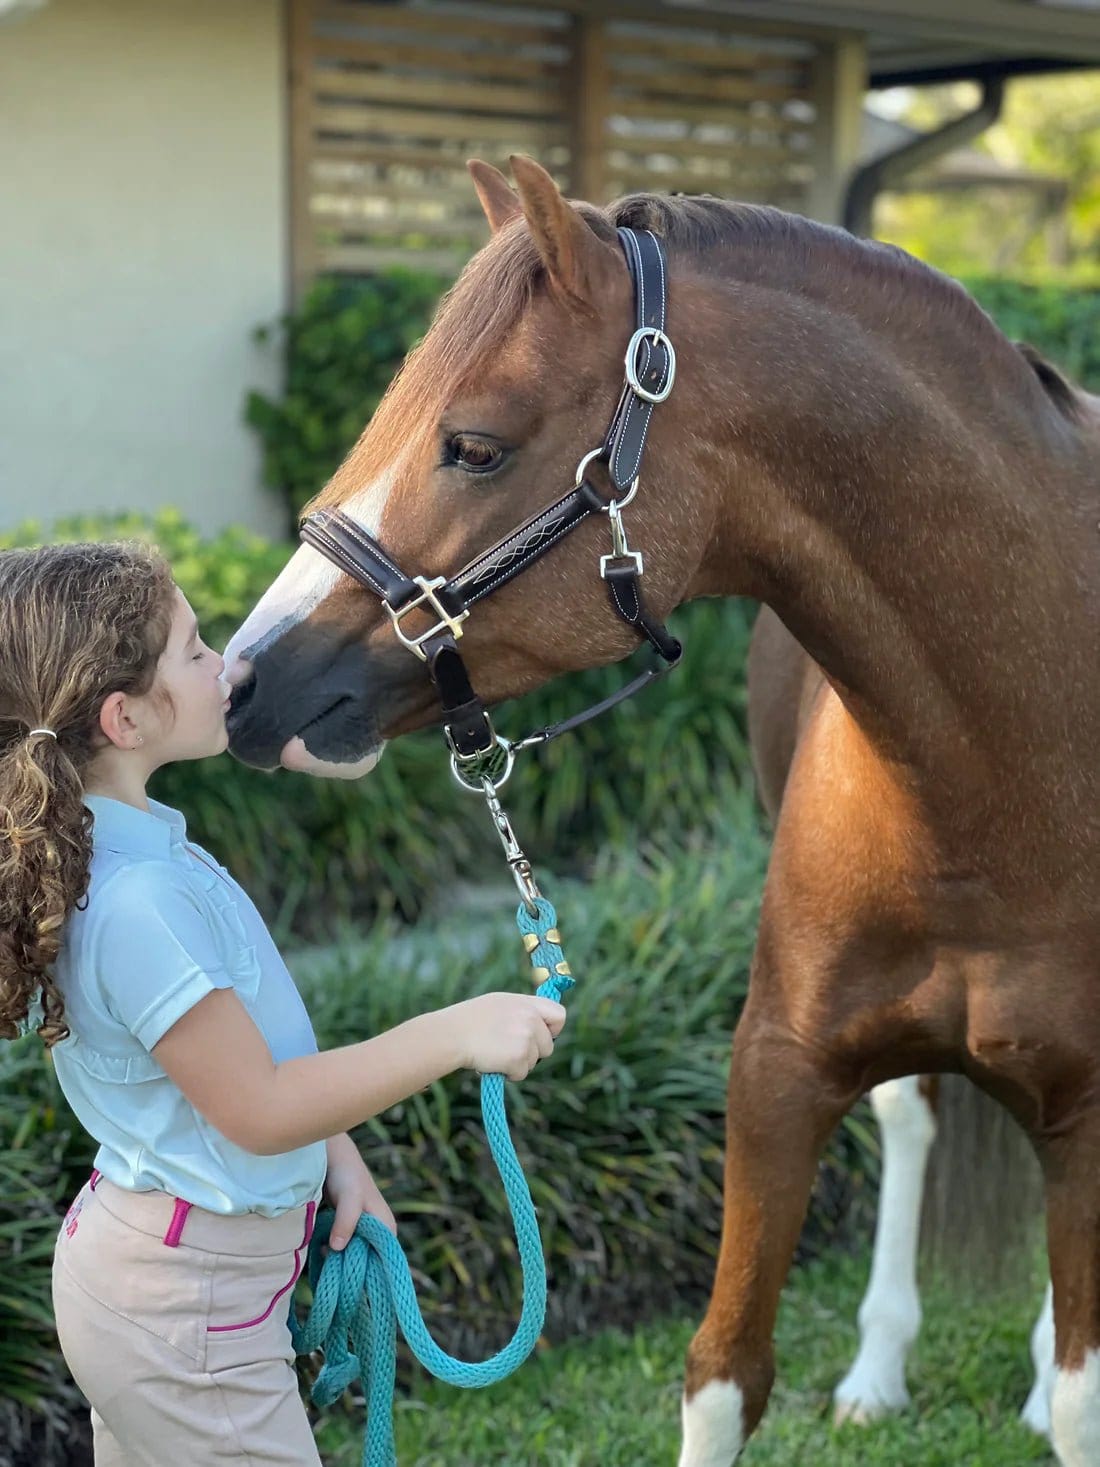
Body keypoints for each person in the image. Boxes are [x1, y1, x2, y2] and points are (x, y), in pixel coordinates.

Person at [0, 540, 567, 1466]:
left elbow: (234, 1067)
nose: (226, 662)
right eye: (193, 649)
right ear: (125, 717)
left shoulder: (140, 851)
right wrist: (454, 1030)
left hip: (171, 1282)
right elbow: (257, 1106)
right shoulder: (142, 905)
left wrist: (338, 1156)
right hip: (186, 1313)